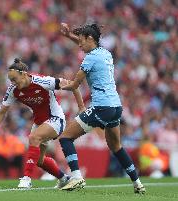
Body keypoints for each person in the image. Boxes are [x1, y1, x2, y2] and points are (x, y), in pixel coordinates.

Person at [57, 22, 146, 194]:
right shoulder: (106, 53)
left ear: (90, 39)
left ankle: (76, 177)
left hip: (101, 107)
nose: (80, 45)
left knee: (65, 138)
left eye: (82, 41)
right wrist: (70, 36)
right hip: (116, 107)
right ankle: (137, 183)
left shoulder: (89, 58)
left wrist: (58, 85)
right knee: (116, 146)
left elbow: (75, 84)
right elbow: (87, 46)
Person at [0, 58, 85, 188]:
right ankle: (64, 178)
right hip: (39, 123)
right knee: (39, 160)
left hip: (56, 119)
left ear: (24, 74)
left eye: (14, 79)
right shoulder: (13, 90)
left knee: (33, 137)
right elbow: (1, 112)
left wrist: (81, 107)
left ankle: (26, 179)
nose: (13, 83)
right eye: (11, 80)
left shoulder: (42, 81)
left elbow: (73, 85)